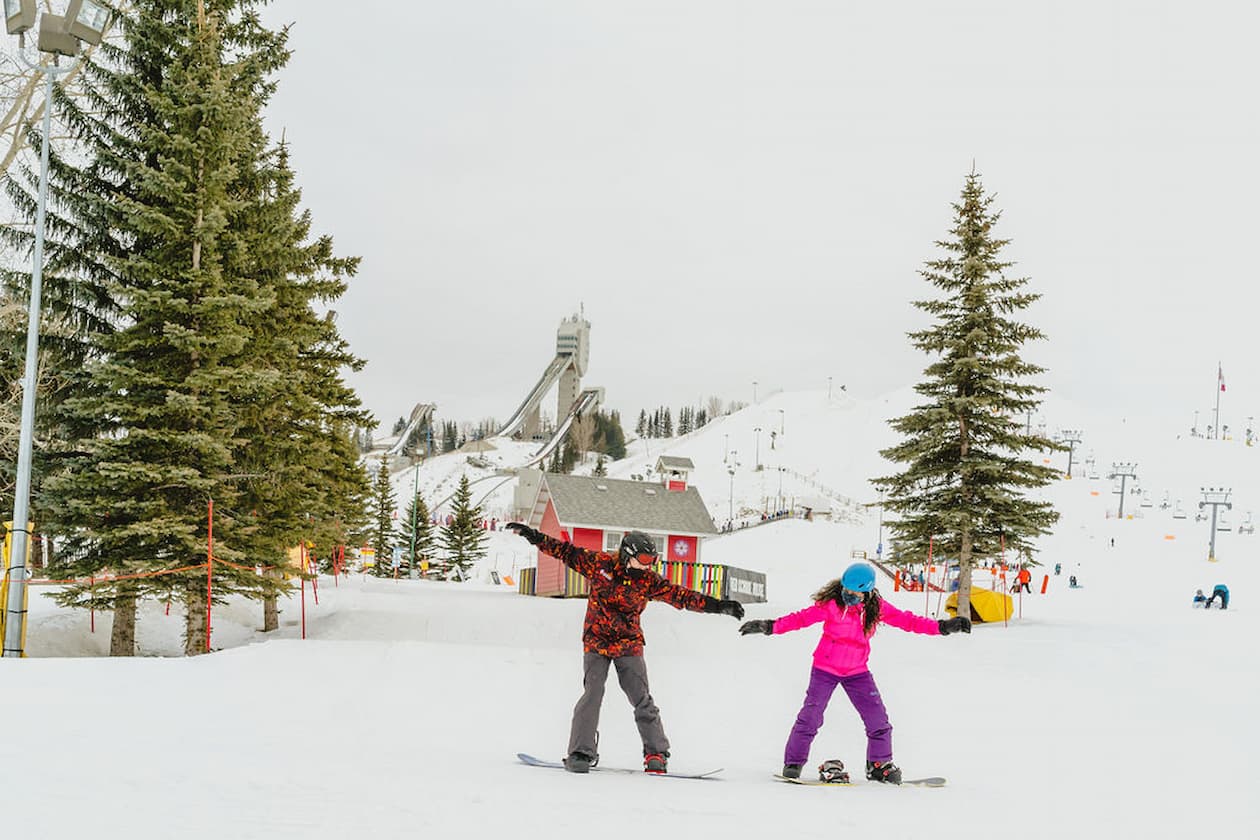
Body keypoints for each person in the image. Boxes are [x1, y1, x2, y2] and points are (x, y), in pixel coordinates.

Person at [505, 522, 745, 774]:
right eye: (643, 559)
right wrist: (533, 536)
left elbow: (681, 596)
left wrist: (718, 606)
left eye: (652, 559)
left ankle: (656, 753)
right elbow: (564, 551)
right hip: (596, 642)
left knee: (641, 698)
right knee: (592, 694)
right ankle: (581, 752)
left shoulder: (648, 581)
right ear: (628, 554)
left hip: (628, 645)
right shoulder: (599, 565)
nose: (648, 565)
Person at [738, 562, 970, 784]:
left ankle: (879, 765)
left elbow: (908, 621)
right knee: (811, 716)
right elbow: (801, 618)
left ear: (867, 592)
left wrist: (943, 627)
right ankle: (793, 764)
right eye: (845, 589)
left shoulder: (877, 609)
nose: (847, 595)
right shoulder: (831, 605)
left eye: (853, 592)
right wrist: (769, 626)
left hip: (857, 671)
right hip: (825, 668)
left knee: (878, 719)